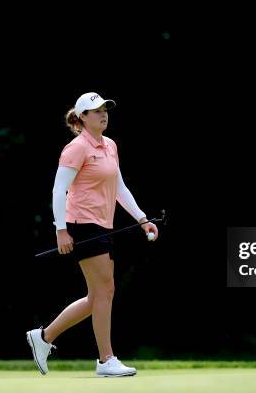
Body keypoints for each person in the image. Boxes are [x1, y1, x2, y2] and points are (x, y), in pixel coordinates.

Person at [26, 92, 158, 377]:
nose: (103, 114)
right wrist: (60, 229)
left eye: (105, 109)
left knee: (97, 295)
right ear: (82, 117)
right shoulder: (76, 148)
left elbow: (119, 187)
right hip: (82, 224)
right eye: (95, 111)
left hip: (103, 224)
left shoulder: (110, 145)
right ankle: (105, 359)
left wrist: (142, 219)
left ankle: (44, 337)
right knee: (105, 291)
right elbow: (58, 190)